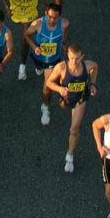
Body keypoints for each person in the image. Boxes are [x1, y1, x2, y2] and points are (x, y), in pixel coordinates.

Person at [45, 44, 99, 173]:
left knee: (74, 129)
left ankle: (69, 156)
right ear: (68, 57)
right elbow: (49, 82)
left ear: (82, 57)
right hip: (65, 99)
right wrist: (59, 89)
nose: (74, 61)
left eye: (77, 58)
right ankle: (45, 107)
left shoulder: (88, 65)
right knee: (64, 108)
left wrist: (92, 84)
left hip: (80, 99)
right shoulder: (61, 67)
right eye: (71, 58)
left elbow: (95, 67)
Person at [23, 3, 70, 118]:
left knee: (47, 86)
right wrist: (35, 48)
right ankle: (39, 68)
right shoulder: (37, 24)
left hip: (53, 60)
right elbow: (26, 35)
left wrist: (63, 44)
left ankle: (45, 106)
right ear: (45, 14)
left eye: (55, 17)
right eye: (50, 17)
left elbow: (64, 35)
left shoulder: (64, 24)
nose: (52, 20)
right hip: (38, 57)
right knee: (39, 68)